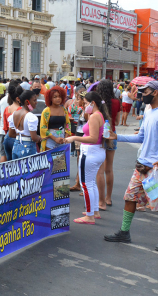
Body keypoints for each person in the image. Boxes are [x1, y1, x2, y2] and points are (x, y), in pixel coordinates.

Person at [105, 80, 158, 252]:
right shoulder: (148, 111)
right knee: (129, 197)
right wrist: (118, 137)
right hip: (142, 166)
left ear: (155, 92)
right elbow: (141, 138)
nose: (141, 94)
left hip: (155, 169)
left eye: (144, 91)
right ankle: (124, 232)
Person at [65, 91, 109, 224]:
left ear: (92, 103)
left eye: (85, 103)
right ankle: (94, 211)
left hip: (90, 152)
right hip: (95, 151)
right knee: (90, 183)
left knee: (86, 184)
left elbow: (93, 138)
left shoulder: (95, 116)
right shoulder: (97, 115)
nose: (84, 106)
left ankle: (90, 215)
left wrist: (74, 138)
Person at [96, 79, 121, 210]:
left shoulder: (98, 103)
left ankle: (100, 201)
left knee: (99, 170)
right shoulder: (117, 102)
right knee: (109, 169)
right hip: (112, 135)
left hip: (99, 136)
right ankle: (108, 198)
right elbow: (117, 120)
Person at [11, 90, 41, 160]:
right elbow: (34, 138)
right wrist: (40, 138)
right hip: (28, 147)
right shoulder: (31, 117)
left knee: (18, 170)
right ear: (27, 102)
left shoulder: (13, 114)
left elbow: (11, 134)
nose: (36, 102)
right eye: (34, 100)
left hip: (16, 146)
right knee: (29, 170)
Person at [40, 86, 71, 151]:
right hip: (50, 139)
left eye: (59, 96)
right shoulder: (46, 111)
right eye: (55, 97)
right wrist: (55, 138)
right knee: (50, 160)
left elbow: (68, 124)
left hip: (62, 139)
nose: (58, 99)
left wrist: (65, 138)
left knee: (60, 160)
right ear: (50, 98)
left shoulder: (64, 110)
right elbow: (43, 128)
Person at [2, 84, 23, 161]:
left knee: (9, 164)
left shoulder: (7, 108)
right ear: (18, 98)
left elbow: (5, 127)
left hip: (7, 137)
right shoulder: (20, 110)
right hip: (16, 137)